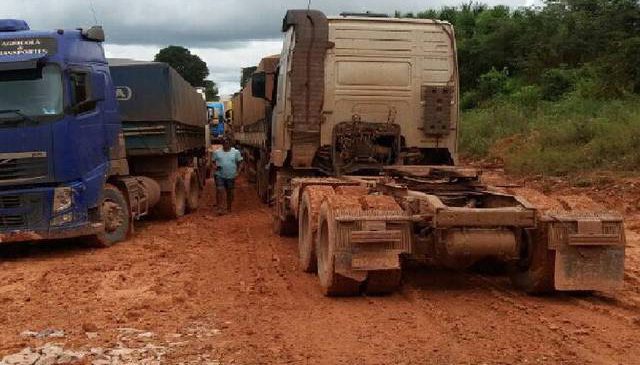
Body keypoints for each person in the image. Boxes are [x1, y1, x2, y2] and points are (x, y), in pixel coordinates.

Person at [212, 138, 243, 215]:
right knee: (219, 189)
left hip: (231, 176)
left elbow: (240, 163)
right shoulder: (217, 152)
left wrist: (238, 172)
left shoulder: (236, 152)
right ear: (222, 144)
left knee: (230, 192)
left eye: (227, 142)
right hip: (219, 174)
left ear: (230, 143)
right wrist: (214, 167)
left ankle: (229, 206)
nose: (226, 144)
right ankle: (220, 208)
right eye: (224, 142)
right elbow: (212, 162)